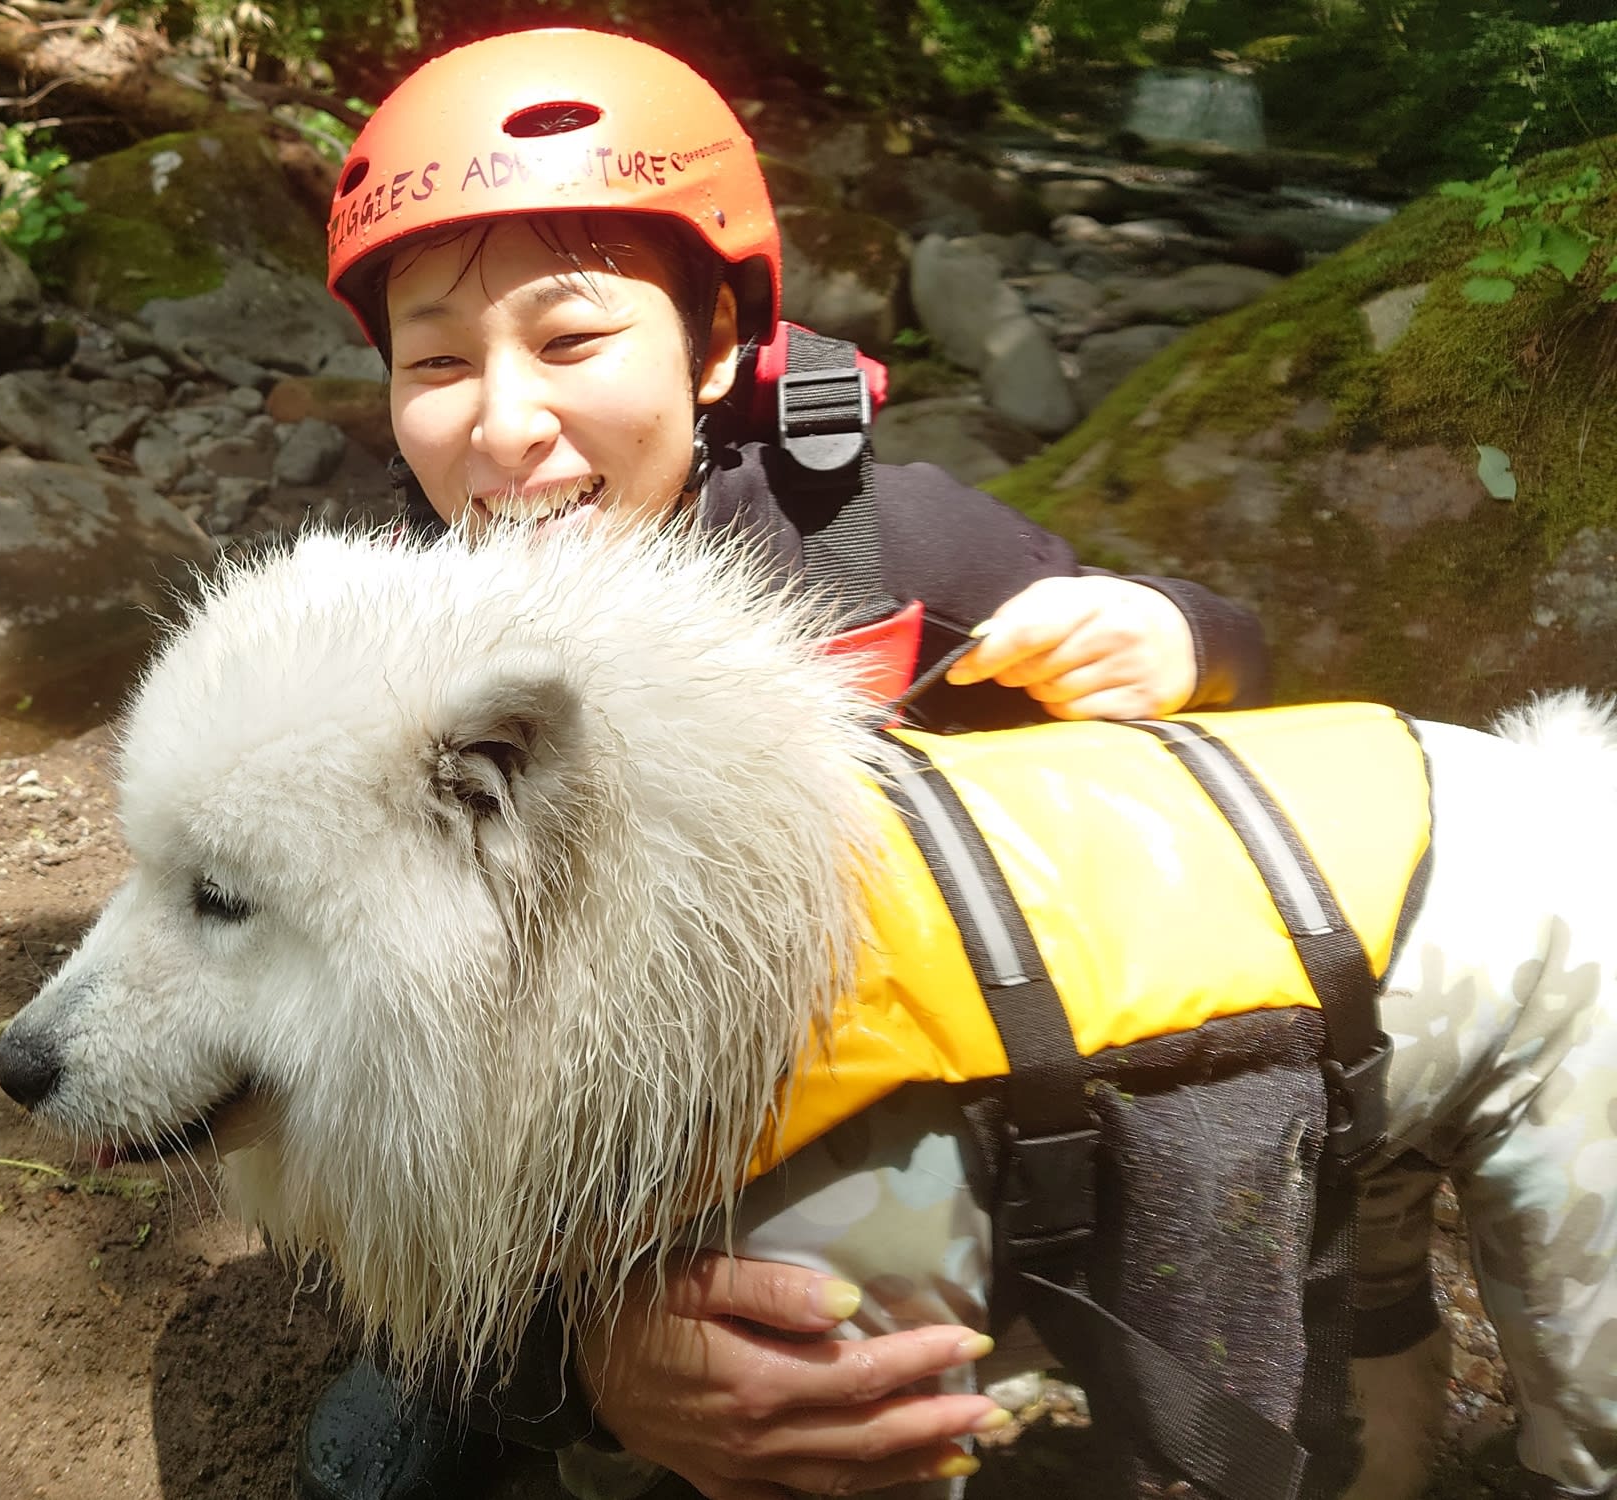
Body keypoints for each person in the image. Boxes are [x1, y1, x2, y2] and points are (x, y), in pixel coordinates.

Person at [300, 26, 1273, 1500]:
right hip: (538, 1157)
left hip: (857, 1085)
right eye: (437, 361)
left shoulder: (883, 547)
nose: (504, 426)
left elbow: (1228, 661)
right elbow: (289, 1065)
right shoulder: (354, 646)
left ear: (714, 350)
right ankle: (478, 1358)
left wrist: (1172, 633)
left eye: (571, 343)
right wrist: (577, 1352)